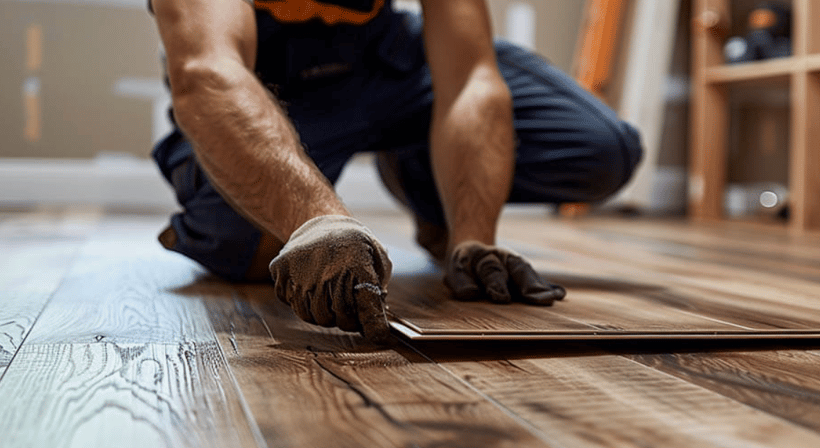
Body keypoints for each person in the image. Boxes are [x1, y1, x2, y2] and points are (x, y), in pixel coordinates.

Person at [148, 0, 642, 342]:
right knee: (251, 245)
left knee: (596, 149)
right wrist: (317, 223)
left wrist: (473, 240)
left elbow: (470, 77)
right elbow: (208, 72)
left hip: (385, 58)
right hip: (266, 79)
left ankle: (422, 175)